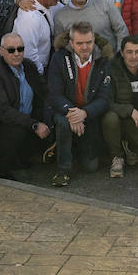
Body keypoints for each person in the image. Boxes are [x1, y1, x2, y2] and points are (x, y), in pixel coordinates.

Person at [45, 21, 113, 186]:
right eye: (80, 43)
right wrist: (72, 112)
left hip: (89, 114)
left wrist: (84, 113)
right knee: (63, 123)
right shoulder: (59, 58)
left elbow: (104, 98)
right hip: (65, 112)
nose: (85, 47)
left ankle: (71, 147)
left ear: (94, 41)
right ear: (71, 43)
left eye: (88, 42)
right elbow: (54, 94)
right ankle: (63, 170)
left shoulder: (103, 60)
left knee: (90, 167)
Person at [0, 33, 50, 181]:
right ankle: (8, 168)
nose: (16, 53)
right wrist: (33, 124)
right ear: (2, 51)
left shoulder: (29, 66)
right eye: (11, 50)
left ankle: (30, 157)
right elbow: (3, 111)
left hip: (30, 118)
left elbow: (44, 93)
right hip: (9, 126)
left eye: (20, 49)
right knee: (16, 131)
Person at [104, 38, 138, 178]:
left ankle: (128, 145)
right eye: (129, 52)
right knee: (110, 118)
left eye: (137, 52)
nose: (133, 56)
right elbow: (106, 102)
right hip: (118, 116)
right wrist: (130, 110)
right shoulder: (111, 68)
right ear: (122, 53)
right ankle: (117, 157)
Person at [53, 0, 128, 56]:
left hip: (108, 61)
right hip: (78, 66)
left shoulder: (104, 3)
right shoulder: (60, 16)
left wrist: (119, 56)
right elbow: (59, 47)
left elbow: (121, 29)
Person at [12, 0, 63, 72]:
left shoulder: (52, 5)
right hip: (32, 73)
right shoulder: (30, 17)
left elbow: (68, 9)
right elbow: (28, 53)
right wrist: (40, 75)